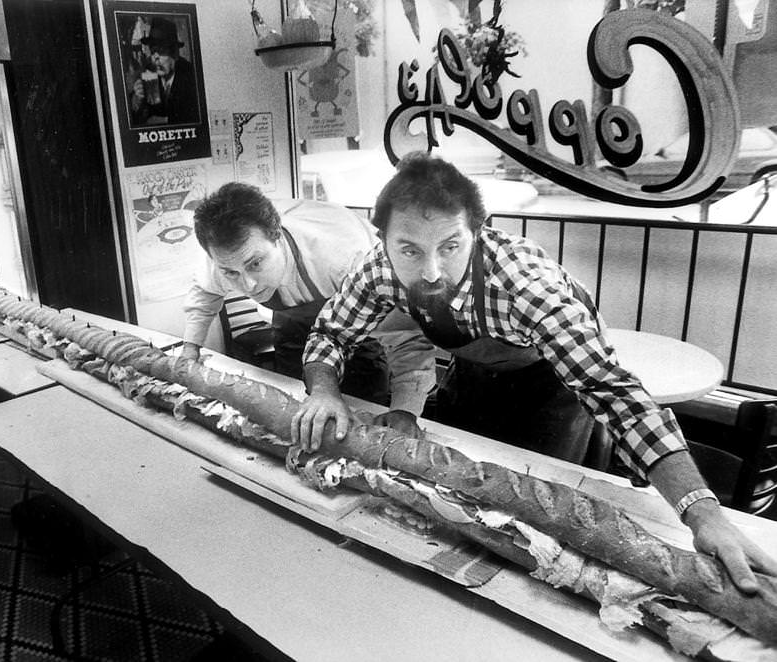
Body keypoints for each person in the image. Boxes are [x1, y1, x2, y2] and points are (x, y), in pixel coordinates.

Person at [292, 152, 777, 592]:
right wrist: (324, 391)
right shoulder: (376, 269)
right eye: (410, 251)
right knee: (454, 494)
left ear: (477, 231)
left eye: (451, 246)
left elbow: (612, 393)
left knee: (539, 524)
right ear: (384, 241)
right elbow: (331, 333)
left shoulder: (526, 288)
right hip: (477, 368)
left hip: (553, 381)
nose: (433, 272)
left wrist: (703, 513)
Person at [183, 182, 435, 421]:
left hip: (361, 329)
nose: (247, 285)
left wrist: (405, 411)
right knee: (294, 403)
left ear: (278, 238)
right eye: (231, 273)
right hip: (293, 321)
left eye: (256, 264)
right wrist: (189, 352)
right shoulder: (227, 252)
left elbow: (406, 340)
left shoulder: (347, 260)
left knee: (361, 407)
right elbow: (204, 295)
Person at [129, 17, 200, 126]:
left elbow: (196, 117)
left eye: (161, 51)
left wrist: (164, 120)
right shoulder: (148, 73)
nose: (155, 57)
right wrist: (136, 100)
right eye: (153, 51)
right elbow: (132, 117)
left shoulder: (191, 76)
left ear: (175, 54)